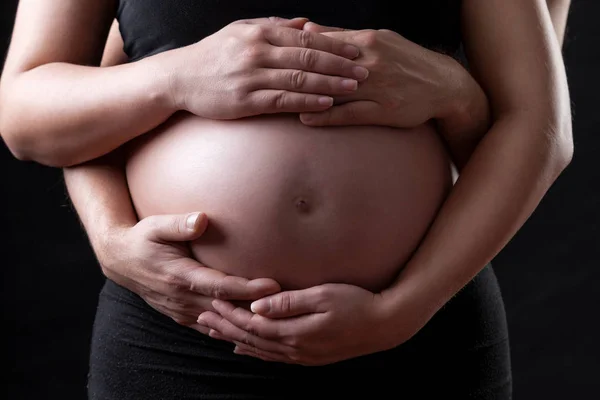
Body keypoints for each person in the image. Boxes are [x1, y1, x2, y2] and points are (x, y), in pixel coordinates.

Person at [0, 0, 573, 398]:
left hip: (421, 330)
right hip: (182, 332)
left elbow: (538, 129)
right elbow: (33, 111)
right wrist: (175, 78)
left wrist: (402, 311)